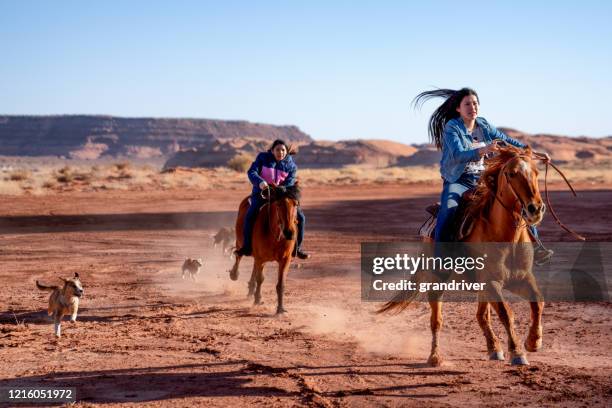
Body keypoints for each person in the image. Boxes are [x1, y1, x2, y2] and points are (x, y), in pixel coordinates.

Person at [414, 87, 553, 264]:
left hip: (482, 179)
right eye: (467, 104)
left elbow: (508, 141)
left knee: (518, 200)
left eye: (475, 103)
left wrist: (534, 153)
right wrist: (484, 150)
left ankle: (536, 247)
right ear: (458, 108)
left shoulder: (483, 124)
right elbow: (457, 154)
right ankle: (441, 257)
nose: (472, 107)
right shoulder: (452, 128)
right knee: (448, 209)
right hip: (458, 180)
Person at [234, 139, 310, 260]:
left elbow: (289, 183)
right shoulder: (262, 158)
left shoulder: (291, 166)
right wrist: (260, 182)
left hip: (281, 196)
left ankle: (297, 248)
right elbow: (252, 172)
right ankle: (246, 246)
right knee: (250, 214)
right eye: (278, 150)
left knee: (301, 217)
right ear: (272, 151)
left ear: (286, 151)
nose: (280, 152)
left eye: (283, 150)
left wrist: (277, 190)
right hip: (261, 193)